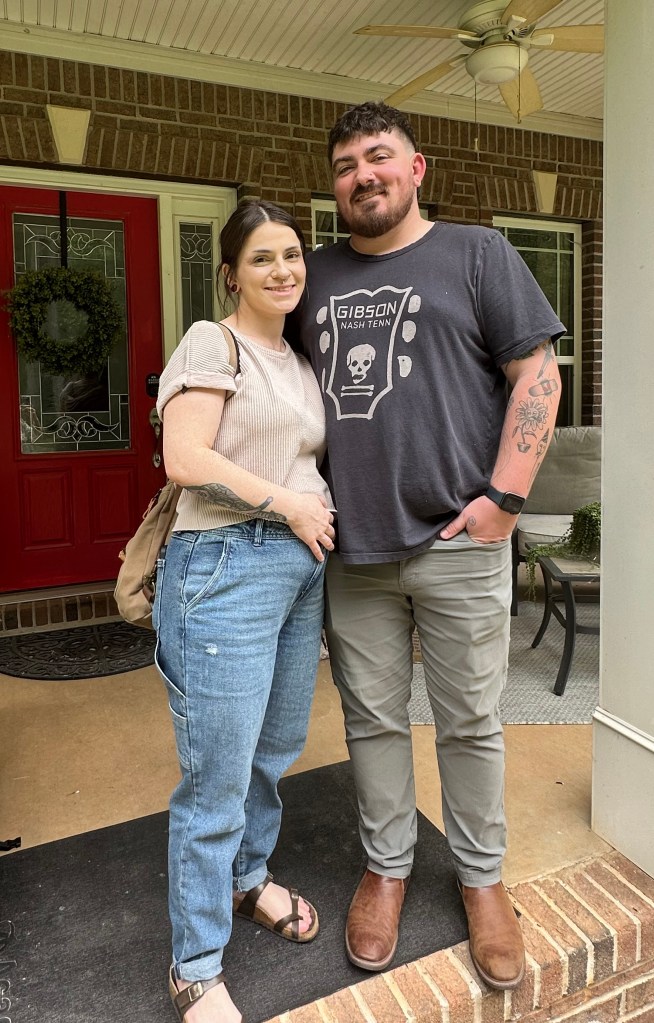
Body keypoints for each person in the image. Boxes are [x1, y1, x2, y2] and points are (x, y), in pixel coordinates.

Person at [288, 101, 564, 990]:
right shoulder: (311, 275)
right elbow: (270, 374)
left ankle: (482, 878)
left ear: (417, 169)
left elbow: (537, 371)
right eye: (345, 165)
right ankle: (387, 868)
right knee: (369, 718)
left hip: (459, 539)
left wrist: (504, 500)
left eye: (379, 156)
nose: (362, 175)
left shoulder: (478, 253)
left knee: (470, 720)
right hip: (354, 547)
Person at [154, 198, 335, 1023]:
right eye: (262, 257)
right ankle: (194, 965)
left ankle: (246, 877)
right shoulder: (211, 340)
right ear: (231, 273)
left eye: (292, 254)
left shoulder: (297, 358)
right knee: (216, 776)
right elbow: (185, 457)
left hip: (298, 572)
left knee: (273, 748)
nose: (282, 269)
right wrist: (290, 505)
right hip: (226, 565)